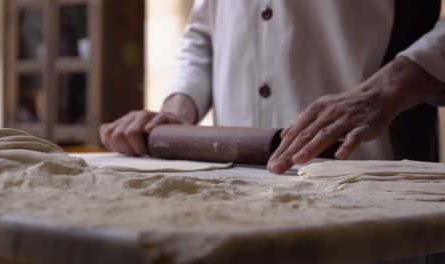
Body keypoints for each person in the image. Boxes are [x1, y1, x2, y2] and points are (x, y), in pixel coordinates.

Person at [100, 1, 445, 174]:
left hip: (374, 175)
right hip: (237, 185)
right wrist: (177, 109)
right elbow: (205, 31)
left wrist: (387, 87)